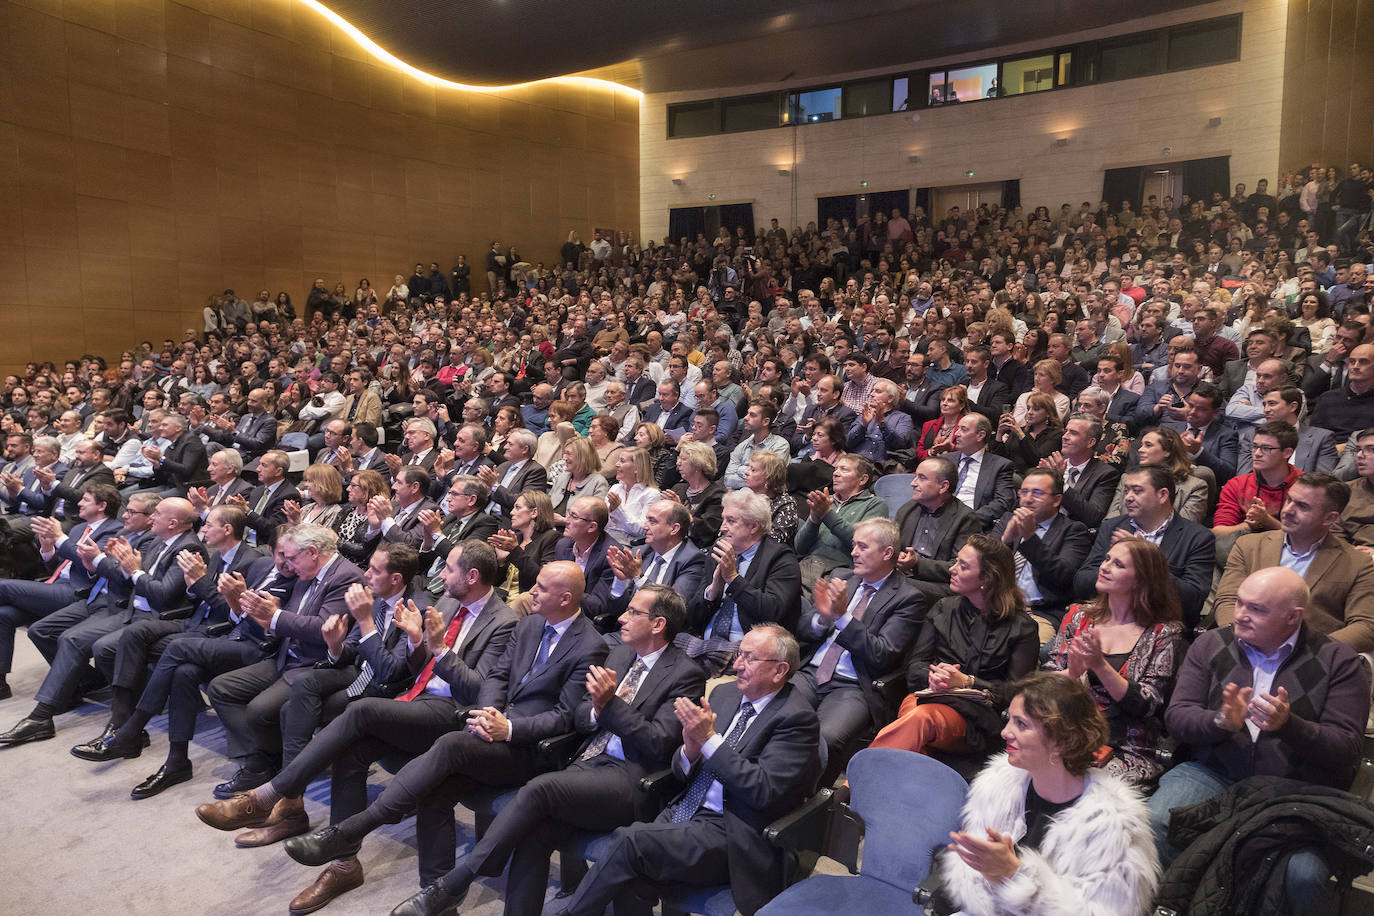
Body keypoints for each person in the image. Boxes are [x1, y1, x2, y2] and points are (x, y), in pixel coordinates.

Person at [265, 562, 607, 906]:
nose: (531, 591)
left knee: (447, 743)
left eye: (542, 588)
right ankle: (437, 898)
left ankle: (351, 829)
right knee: (433, 790)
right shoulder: (530, 625)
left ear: (565, 598)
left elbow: (567, 717)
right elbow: (497, 679)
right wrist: (488, 713)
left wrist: (510, 728)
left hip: (530, 749)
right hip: (487, 728)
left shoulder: (588, 645)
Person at [196, 541, 519, 904]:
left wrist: (439, 647)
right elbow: (415, 669)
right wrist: (416, 643)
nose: (441, 575)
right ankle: (344, 866)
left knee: (362, 710)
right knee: (352, 753)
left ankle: (271, 793)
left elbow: (478, 689)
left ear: (472, 576)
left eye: (449, 569)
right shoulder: (447, 602)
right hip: (415, 703)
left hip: (452, 714)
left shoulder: (504, 623)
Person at [390, 584, 707, 916]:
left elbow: (658, 743)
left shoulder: (686, 673)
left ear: (658, 624)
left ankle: (454, 883)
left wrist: (609, 706)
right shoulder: (620, 654)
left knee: (540, 790)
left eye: (633, 612)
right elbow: (581, 720)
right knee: (532, 834)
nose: (623, 617)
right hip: (584, 765)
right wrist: (598, 709)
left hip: (632, 781)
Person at [548, 623, 822, 916]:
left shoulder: (797, 720)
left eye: (750, 658)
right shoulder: (725, 695)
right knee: (628, 871)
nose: (737, 665)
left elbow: (762, 790)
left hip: (731, 829)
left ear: (779, 670)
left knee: (629, 842)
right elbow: (682, 770)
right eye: (739, 654)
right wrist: (691, 750)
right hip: (684, 810)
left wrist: (709, 740)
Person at [1148, 567, 1370, 914]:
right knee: (1155, 822)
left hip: (1296, 788)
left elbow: (1347, 749)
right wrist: (1220, 722)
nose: (1240, 615)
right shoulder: (1210, 643)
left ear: (1293, 617)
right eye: (1239, 603)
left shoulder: (1338, 661)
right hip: (1211, 772)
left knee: (1303, 874)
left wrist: (1288, 726)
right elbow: (1176, 717)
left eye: (1257, 609)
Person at [936, 673, 1158, 916]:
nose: (1005, 733)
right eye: (1009, 720)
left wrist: (1015, 874)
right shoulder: (997, 789)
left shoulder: (1112, 827)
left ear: (1061, 740)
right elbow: (971, 887)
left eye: (1021, 724)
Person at [0, 497, 206, 746]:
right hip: (124, 605)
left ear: (172, 522)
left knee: (76, 640)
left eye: (156, 514)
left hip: (148, 614)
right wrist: (98, 563)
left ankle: (47, 715)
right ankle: (79, 697)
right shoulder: (159, 541)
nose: (152, 517)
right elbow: (126, 575)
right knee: (45, 631)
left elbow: (160, 593)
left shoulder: (186, 547)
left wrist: (123, 567)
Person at [869, 534, 1038, 763]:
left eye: (963, 566)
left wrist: (966, 682)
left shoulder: (1022, 628)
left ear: (987, 579)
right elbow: (916, 666)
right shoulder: (943, 608)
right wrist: (936, 677)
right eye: (956, 561)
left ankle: (853, 787)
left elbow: (1016, 692)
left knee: (919, 719)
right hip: (928, 694)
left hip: (974, 717)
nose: (952, 569)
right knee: (916, 725)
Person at [795, 517, 925, 783]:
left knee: (826, 739)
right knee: (768, 712)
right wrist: (822, 619)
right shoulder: (841, 577)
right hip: (810, 673)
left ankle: (810, 806)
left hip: (853, 686)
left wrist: (842, 618)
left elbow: (883, 654)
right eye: (853, 545)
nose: (853, 552)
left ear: (887, 552)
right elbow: (803, 631)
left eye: (862, 547)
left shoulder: (908, 598)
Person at [1044, 538, 1183, 786]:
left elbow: (1147, 704)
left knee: (1078, 787)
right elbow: (1044, 684)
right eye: (1107, 559)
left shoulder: (1162, 633)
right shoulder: (1079, 616)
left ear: (1140, 580)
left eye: (1118, 564)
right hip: (1067, 733)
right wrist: (1073, 674)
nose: (1104, 567)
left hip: (1125, 748)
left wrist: (1100, 666)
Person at [1215, 473, 1374, 652]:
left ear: (1329, 518)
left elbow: (1365, 626)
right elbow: (1227, 600)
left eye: (1302, 506)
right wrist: (1243, 637)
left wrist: (1310, 652)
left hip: (1312, 661)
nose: (1288, 510)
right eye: (1289, 499)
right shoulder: (1249, 546)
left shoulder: (1358, 564)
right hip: (1245, 649)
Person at [1074, 465, 1216, 631]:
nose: (1128, 497)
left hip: (1161, 627)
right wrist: (1117, 576)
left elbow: (1193, 599)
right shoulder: (1112, 527)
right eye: (1126, 491)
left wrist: (1146, 560)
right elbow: (1081, 582)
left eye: (1137, 491)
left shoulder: (1197, 537)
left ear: (1162, 495)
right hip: (1108, 619)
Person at [685, 489, 802, 672]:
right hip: (703, 646)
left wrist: (733, 578)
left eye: (731, 521)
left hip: (748, 656)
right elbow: (692, 617)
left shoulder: (781, 559)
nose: (722, 527)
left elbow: (771, 613)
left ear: (753, 527)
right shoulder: (719, 552)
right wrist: (713, 590)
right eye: (723, 520)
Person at [993, 468, 1092, 644]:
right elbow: (981, 565)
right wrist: (1005, 541)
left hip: (1038, 614)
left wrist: (1030, 539)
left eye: (1037, 493)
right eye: (1024, 492)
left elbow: (1064, 577)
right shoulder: (1008, 519)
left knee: (1023, 654)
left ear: (1057, 500)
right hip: (996, 604)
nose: (1028, 499)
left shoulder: (1073, 531)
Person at [793, 454, 886, 587]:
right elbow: (799, 547)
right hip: (807, 565)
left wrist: (827, 514)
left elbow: (862, 542)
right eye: (836, 469)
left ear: (862, 479)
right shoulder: (825, 500)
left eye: (844, 469)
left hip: (842, 572)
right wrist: (814, 519)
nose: (835, 473)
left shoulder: (875, 504)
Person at [1106, 426, 1209, 523]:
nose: (1140, 450)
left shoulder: (1195, 487)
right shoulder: (1127, 478)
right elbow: (1110, 520)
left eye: (1148, 445)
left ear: (1167, 451)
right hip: (1122, 538)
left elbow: (1183, 530)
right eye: (1142, 445)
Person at [948, 413, 1016, 530]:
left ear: (980, 435)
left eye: (963, 430)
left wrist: (969, 520)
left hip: (973, 524)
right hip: (939, 521)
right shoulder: (946, 460)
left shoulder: (1000, 466)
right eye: (957, 428)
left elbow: (1003, 502)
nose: (956, 434)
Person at [487, 490, 559, 595]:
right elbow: (494, 583)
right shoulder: (516, 538)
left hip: (527, 601)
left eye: (517, 507)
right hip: (501, 598)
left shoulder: (551, 538)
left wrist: (515, 551)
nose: (511, 512)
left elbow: (543, 579)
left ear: (534, 512)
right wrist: (501, 561)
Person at [669, 439, 726, 549]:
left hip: (692, 550)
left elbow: (706, 532)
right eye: (678, 458)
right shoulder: (678, 488)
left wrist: (681, 510)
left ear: (698, 464)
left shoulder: (717, 494)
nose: (678, 463)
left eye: (683, 459)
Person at [995, 391, 1063, 475]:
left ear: (1048, 413)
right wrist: (999, 434)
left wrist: (1020, 433)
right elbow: (1000, 458)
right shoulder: (1018, 431)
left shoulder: (1056, 435)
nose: (1029, 412)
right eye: (1028, 408)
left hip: (1033, 478)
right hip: (1008, 475)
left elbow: (1037, 461)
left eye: (1036, 409)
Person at [606, 447, 662, 545]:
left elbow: (642, 532)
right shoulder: (615, 488)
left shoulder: (652, 494)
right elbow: (603, 523)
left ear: (637, 468)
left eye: (622, 461)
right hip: (605, 539)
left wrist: (618, 511)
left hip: (628, 545)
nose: (616, 464)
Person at [744, 450, 798, 545]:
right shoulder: (748, 497)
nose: (746, 472)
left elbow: (775, 540)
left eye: (753, 470)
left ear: (768, 479)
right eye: (749, 468)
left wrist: (741, 534)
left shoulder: (786, 505)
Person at [549, 437, 610, 518]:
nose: (564, 458)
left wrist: (565, 521)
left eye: (569, 454)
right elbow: (547, 504)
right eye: (564, 453)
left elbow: (597, 517)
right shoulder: (562, 477)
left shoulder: (598, 483)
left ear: (583, 456)